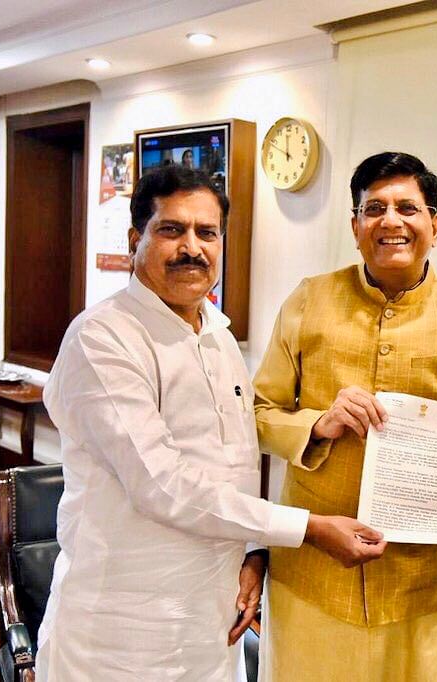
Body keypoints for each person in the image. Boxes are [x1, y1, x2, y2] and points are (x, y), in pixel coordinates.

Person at [36, 164, 385, 681]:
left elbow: (237, 462)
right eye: (172, 230)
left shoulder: (217, 335)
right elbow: (162, 485)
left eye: (207, 233)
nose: (192, 248)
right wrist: (307, 529)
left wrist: (255, 553)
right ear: (137, 239)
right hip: (122, 629)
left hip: (214, 619)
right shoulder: (102, 338)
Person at [252, 152, 437, 681]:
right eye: (375, 208)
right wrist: (318, 422)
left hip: (426, 579)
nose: (391, 221)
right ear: (355, 226)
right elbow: (259, 412)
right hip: (314, 572)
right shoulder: (307, 301)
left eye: (407, 208)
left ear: (434, 226)